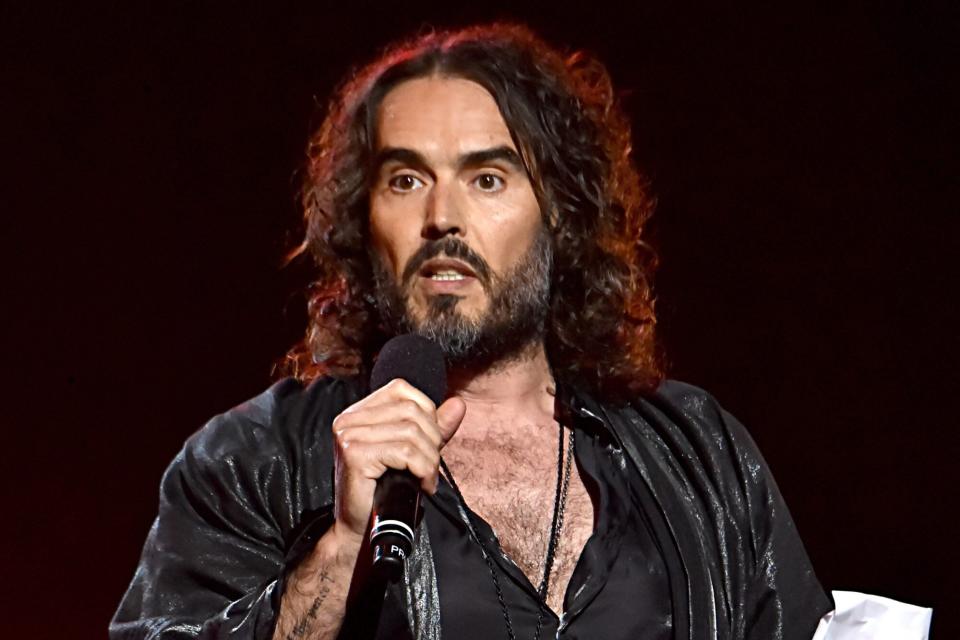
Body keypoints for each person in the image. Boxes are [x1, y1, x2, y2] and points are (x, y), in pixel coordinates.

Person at [111, 23, 833, 640]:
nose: (442, 217)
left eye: (487, 178)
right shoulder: (251, 460)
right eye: (405, 180)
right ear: (364, 223)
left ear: (558, 212)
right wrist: (339, 550)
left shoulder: (698, 450)